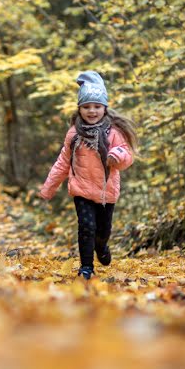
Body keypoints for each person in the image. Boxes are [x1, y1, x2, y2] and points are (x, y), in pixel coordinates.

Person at [39, 71, 137, 280]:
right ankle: (86, 267)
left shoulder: (114, 132)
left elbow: (127, 155)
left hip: (106, 192)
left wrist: (117, 156)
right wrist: (48, 188)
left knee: (102, 232)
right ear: (80, 109)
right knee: (86, 227)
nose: (91, 111)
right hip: (81, 189)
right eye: (86, 106)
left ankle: (102, 247)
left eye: (96, 106)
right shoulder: (74, 133)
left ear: (104, 108)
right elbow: (63, 162)